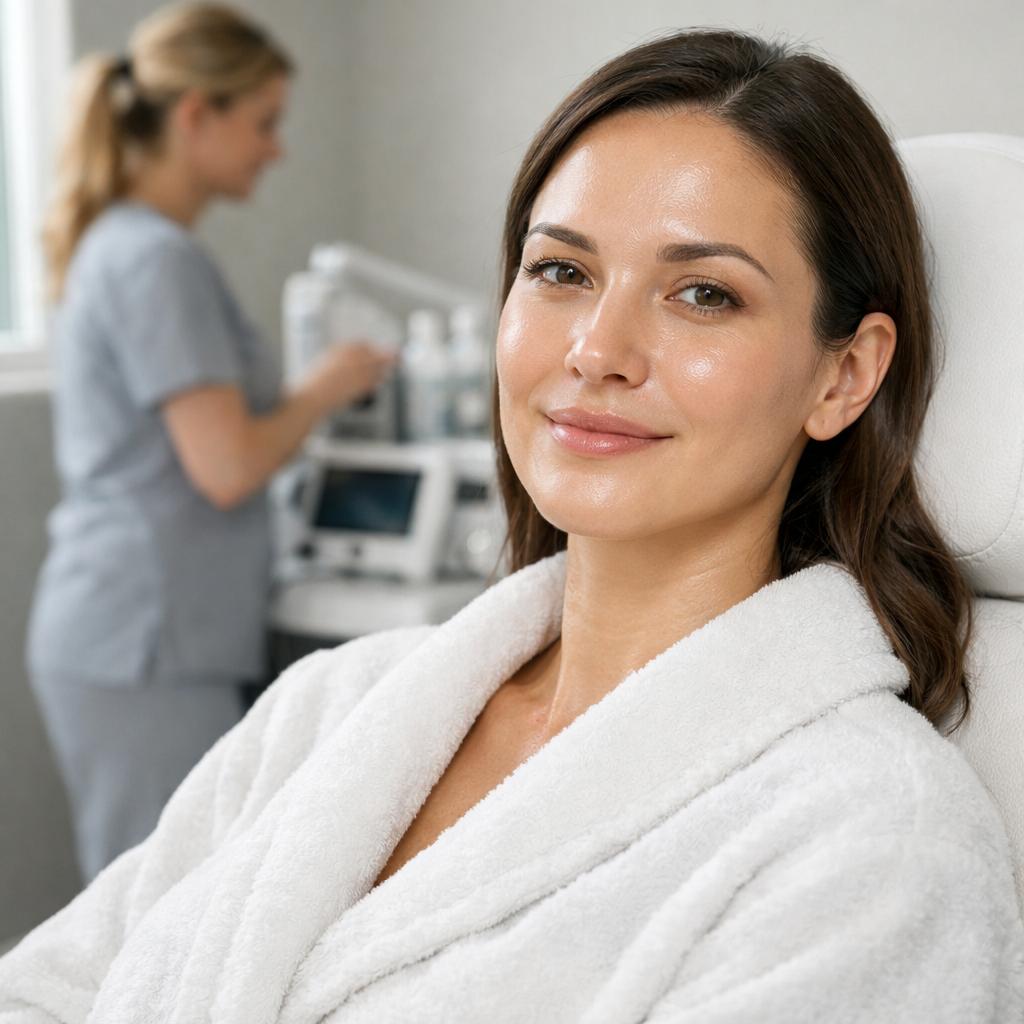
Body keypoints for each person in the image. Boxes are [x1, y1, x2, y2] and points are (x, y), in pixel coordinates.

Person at [3, 26, 1023, 1023]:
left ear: (843, 374)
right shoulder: (333, 706)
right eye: (562, 271)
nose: (596, 348)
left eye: (702, 293)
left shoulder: (872, 843)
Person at [24, 2, 395, 884]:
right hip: (144, 639)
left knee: (152, 895)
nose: (278, 148)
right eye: (264, 122)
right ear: (197, 115)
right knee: (156, 903)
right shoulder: (155, 260)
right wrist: (326, 386)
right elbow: (226, 467)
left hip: (136, 630)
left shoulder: (121, 244)